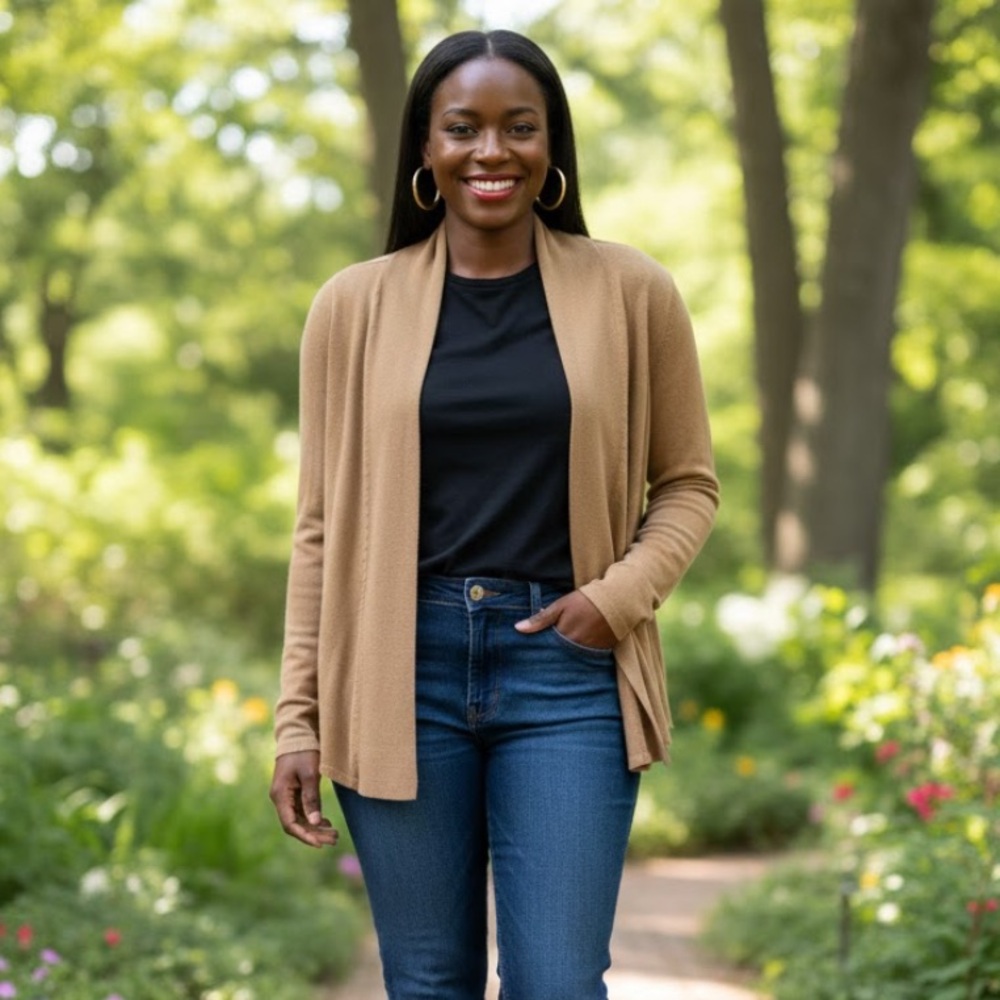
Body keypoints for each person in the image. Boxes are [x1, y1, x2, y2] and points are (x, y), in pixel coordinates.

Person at [269, 28, 719, 1000]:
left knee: (557, 981)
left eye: (519, 126)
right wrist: (294, 720)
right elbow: (319, 530)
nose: (491, 150)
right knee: (428, 980)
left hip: (569, 670)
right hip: (397, 666)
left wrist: (621, 595)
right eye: (462, 127)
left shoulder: (631, 293)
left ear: (550, 146)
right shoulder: (351, 307)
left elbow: (687, 482)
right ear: (424, 150)